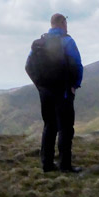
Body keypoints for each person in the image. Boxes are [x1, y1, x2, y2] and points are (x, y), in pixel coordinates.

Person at [28, 13, 83, 173]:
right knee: (65, 128)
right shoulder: (67, 41)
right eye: (66, 22)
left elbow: (28, 66)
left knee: (49, 126)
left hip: (45, 92)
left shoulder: (39, 43)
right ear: (62, 23)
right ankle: (65, 166)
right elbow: (77, 65)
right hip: (63, 91)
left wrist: (40, 85)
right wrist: (74, 85)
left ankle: (47, 164)